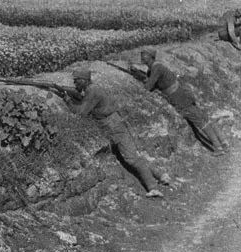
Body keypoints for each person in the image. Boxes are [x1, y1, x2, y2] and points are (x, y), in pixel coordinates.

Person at [66, 66, 169, 198]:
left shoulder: (93, 91)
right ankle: (160, 175)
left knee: (131, 159)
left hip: (113, 127)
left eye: (76, 80)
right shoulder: (92, 89)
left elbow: (81, 113)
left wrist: (68, 101)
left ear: (84, 80)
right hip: (113, 125)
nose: (74, 83)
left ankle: (153, 187)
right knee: (131, 156)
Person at [138, 48, 228, 155]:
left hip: (179, 97)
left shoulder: (156, 68)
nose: (142, 57)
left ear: (151, 57)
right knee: (202, 117)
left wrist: (142, 80)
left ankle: (218, 148)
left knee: (198, 120)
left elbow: (148, 87)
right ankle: (223, 141)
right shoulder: (153, 68)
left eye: (144, 55)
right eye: (141, 55)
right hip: (182, 93)